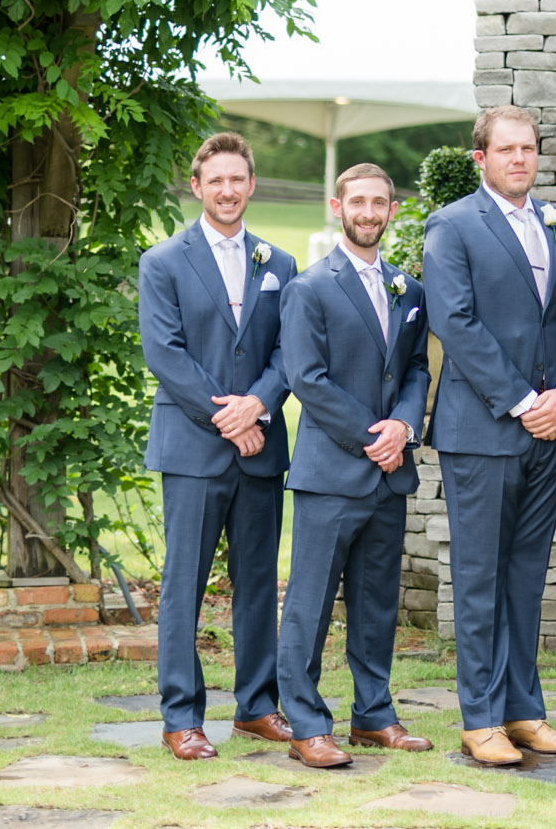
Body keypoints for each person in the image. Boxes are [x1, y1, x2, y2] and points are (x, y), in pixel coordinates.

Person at [423, 104, 556, 766]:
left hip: (550, 432)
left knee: (527, 577)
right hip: (484, 429)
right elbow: (455, 322)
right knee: (478, 577)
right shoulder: (453, 225)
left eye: (527, 149)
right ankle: (480, 718)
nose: (519, 159)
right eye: (506, 150)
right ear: (481, 159)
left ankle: (524, 712)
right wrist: (525, 400)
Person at [138, 131, 297, 760]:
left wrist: (258, 404)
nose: (228, 191)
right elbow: (165, 355)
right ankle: (181, 716)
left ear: (251, 185)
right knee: (186, 583)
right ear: (198, 187)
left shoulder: (278, 264)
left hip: (260, 447)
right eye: (217, 181)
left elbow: (291, 351)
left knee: (259, 581)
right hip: (194, 450)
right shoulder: (163, 262)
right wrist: (229, 417)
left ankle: (257, 707)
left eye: (239, 179)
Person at [275, 163, 435, 768]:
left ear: (392, 210)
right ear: (338, 206)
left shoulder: (408, 289)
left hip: (389, 474)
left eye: (380, 203)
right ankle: (308, 724)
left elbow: (417, 368)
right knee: (310, 605)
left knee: (377, 604)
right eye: (358, 202)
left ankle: (373, 716)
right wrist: (374, 436)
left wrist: (404, 425)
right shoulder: (309, 288)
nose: (369, 213)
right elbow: (306, 380)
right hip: (332, 472)